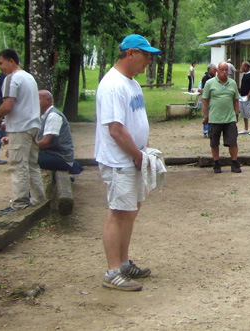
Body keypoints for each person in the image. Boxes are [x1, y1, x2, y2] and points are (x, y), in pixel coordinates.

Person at [95, 34, 160, 291]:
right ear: (131, 53)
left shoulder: (131, 83)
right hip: (119, 160)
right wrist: (136, 155)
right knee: (118, 213)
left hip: (133, 157)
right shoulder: (113, 85)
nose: (149, 62)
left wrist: (142, 153)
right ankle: (112, 272)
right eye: (146, 56)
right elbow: (115, 129)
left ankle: (123, 264)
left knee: (131, 211)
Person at [0, 49, 46, 216]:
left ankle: (19, 204)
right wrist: (6, 122)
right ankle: (38, 199)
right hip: (33, 126)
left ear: (11, 61)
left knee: (18, 165)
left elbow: (8, 105)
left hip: (21, 129)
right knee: (31, 164)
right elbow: (24, 105)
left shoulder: (11, 78)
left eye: (0, 63)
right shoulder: (29, 77)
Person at [202, 62, 242, 173]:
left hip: (229, 118)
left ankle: (234, 162)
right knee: (214, 142)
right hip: (215, 118)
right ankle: (216, 163)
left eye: (226, 70)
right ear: (217, 71)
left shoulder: (232, 83)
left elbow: (236, 100)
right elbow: (205, 100)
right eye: (222, 69)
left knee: (233, 141)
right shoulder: (210, 83)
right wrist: (206, 115)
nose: (224, 72)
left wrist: (236, 114)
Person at [34, 90, 82, 174]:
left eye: (37, 99)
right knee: (26, 155)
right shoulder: (43, 116)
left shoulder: (53, 116)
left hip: (61, 158)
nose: (34, 102)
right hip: (52, 154)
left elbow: (45, 143)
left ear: (47, 100)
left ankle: (32, 186)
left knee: (26, 157)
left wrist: (24, 148)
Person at [238, 61, 250, 135]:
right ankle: (246, 128)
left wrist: (248, 96)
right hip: (242, 96)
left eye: (242, 66)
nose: (241, 68)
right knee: (243, 113)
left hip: (247, 96)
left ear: (246, 67)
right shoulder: (244, 75)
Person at [197, 63, 217, 138]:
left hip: (213, 99)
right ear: (209, 70)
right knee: (206, 114)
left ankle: (212, 130)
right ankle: (206, 130)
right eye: (214, 69)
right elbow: (204, 89)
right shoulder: (206, 78)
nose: (216, 71)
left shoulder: (214, 77)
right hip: (207, 99)